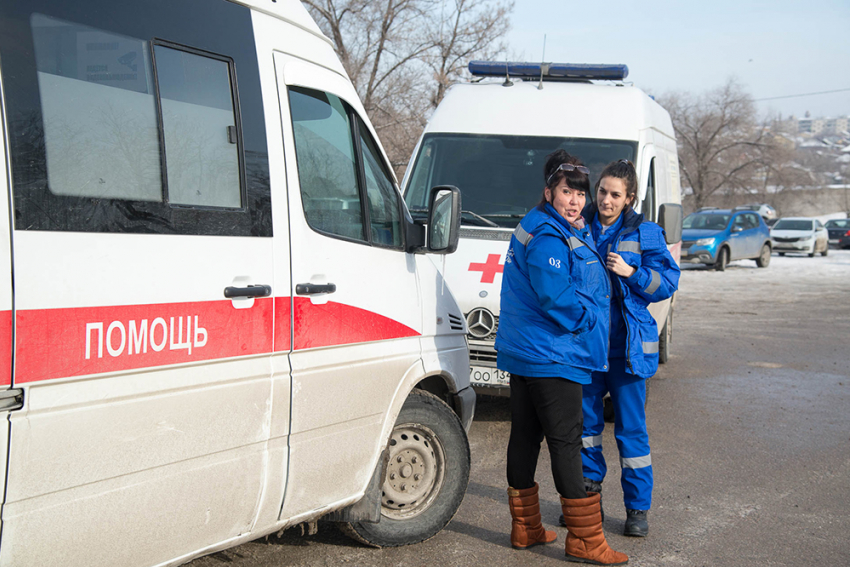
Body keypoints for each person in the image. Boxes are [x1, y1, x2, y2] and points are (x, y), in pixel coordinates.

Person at [495, 150, 628, 565]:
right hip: (552, 353)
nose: (575, 200)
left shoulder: (550, 224)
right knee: (567, 442)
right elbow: (556, 297)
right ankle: (586, 540)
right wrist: (590, 319)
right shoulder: (549, 236)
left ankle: (527, 528)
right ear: (549, 191)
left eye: (579, 194)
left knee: (525, 437)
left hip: (529, 352)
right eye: (567, 191)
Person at [578, 159, 680, 537]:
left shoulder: (646, 233)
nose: (605, 199)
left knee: (631, 434)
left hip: (627, 353)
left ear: (629, 198)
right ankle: (588, 505)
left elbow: (668, 282)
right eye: (602, 191)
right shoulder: (577, 226)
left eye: (614, 194)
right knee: (585, 432)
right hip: (586, 352)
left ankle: (637, 510)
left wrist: (632, 273)